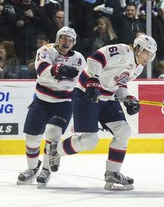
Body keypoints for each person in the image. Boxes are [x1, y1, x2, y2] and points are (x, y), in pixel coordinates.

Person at [46, 35, 157, 191]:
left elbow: (120, 83)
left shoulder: (138, 67)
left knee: (124, 131)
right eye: (147, 53)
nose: (149, 57)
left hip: (108, 97)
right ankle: (55, 150)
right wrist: (93, 79)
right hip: (86, 94)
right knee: (90, 141)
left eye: (152, 54)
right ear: (138, 48)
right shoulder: (122, 51)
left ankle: (113, 172)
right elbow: (94, 58)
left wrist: (127, 98)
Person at [16, 27, 86, 188]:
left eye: (70, 39)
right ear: (57, 39)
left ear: (74, 42)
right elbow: (42, 71)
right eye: (63, 38)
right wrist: (58, 69)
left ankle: (46, 169)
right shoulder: (45, 50)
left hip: (64, 103)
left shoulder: (79, 59)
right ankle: (32, 168)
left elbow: (84, 80)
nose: (66, 42)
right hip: (41, 101)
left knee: (53, 134)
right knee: (32, 138)